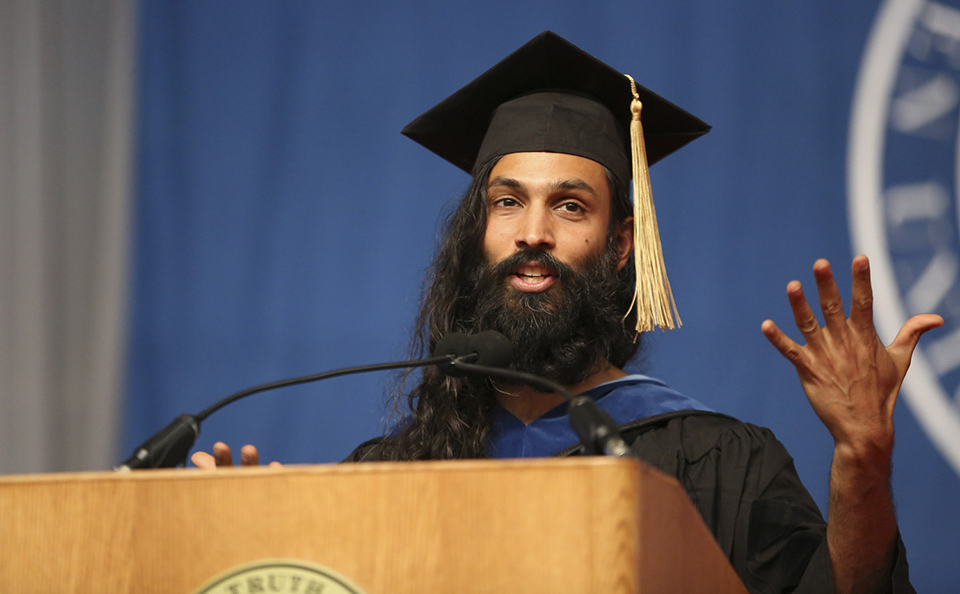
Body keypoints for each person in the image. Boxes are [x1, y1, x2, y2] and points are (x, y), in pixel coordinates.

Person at [193, 32, 942, 594]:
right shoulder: (388, 477)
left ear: (621, 246)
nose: (532, 233)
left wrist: (862, 466)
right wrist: (251, 544)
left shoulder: (717, 465)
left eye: (570, 206)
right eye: (508, 201)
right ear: (478, 232)